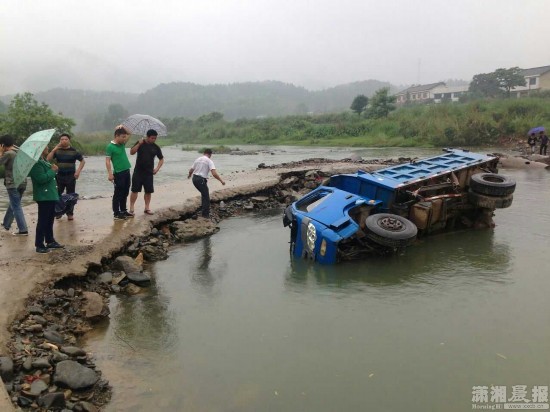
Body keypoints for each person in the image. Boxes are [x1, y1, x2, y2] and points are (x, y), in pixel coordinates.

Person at [28, 146, 64, 253]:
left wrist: (54, 170)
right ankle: (39, 244)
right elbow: (41, 179)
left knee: (49, 220)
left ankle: (50, 240)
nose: (47, 147)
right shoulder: (36, 163)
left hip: (50, 195)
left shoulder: (43, 161)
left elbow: (50, 175)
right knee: (43, 220)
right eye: (45, 146)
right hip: (44, 196)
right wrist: (52, 171)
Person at [46, 133, 85, 220]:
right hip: (59, 176)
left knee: (71, 195)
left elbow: (82, 161)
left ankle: (70, 213)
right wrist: (54, 149)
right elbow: (48, 159)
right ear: (59, 141)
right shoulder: (57, 151)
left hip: (71, 176)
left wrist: (78, 172)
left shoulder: (74, 151)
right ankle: (58, 212)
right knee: (57, 195)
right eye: (62, 139)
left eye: (65, 139)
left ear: (69, 141)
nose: (63, 141)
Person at [129, 129, 164, 215]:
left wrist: (157, 169)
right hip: (138, 172)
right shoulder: (140, 143)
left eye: (155, 138)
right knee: (134, 190)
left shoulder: (156, 147)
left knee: (148, 191)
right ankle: (131, 208)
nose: (153, 140)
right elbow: (131, 152)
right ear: (147, 137)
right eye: (152, 138)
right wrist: (138, 144)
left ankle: (147, 208)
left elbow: (161, 159)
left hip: (149, 173)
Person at [0, 134, 29, 235]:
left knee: (16, 206)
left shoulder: (9, 153)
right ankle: (6, 223)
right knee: (14, 204)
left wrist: (0, 152)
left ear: (2, 144)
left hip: (12, 183)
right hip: (23, 182)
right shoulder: (19, 151)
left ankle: (23, 229)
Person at [187, 148, 225, 218]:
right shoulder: (209, 161)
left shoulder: (198, 159)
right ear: (210, 154)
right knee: (206, 197)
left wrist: (189, 176)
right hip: (201, 180)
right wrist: (221, 181)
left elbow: (191, 170)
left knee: (204, 195)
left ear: (204, 153)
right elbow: (214, 174)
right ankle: (205, 216)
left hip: (194, 179)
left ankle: (203, 212)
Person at [106, 126, 133, 220]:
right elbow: (107, 161)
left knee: (125, 192)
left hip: (126, 170)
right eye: (122, 137)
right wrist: (110, 174)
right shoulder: (110, 146)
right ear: (117, 136)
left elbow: (130, 133)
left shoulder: (122, 144)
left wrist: (123, 127)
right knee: (118, 193)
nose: (124, 139)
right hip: (118, 173)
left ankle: (123, 210)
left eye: (125, 137)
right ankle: (116, 213)